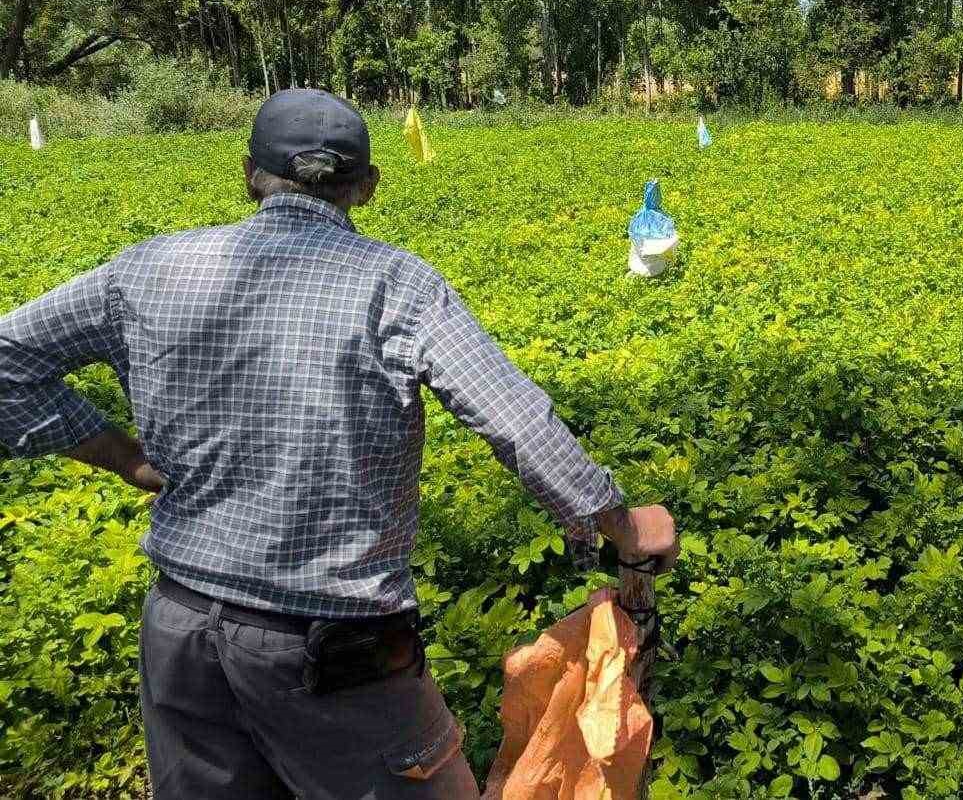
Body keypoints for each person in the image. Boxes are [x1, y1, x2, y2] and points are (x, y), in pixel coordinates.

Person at [0, 88, 679, 799]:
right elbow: (517, 424)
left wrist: (129, 460)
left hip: (184, 630)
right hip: (335, 651)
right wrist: (625, 526)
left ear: (247, 174)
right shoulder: (399, 286)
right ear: (368, 186)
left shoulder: (146, 270)